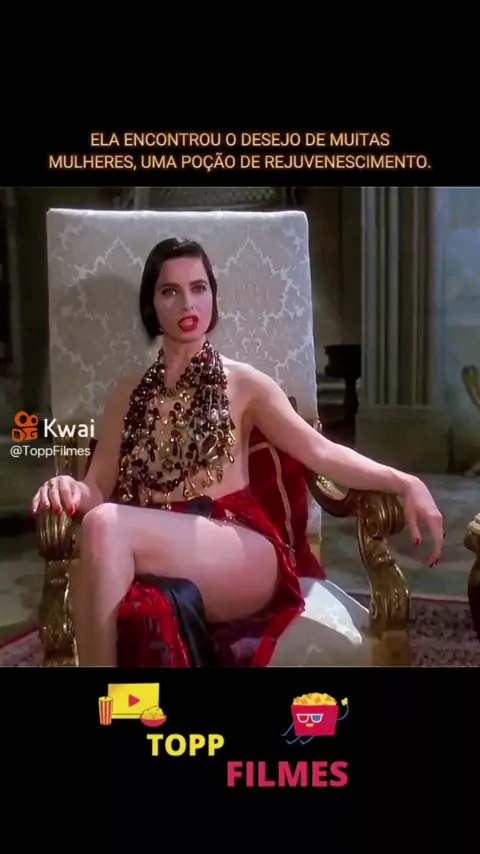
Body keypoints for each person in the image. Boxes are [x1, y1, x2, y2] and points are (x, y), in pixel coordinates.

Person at [32, 238, 444, 667]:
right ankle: (119, 701)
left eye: (199, 288)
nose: (187, 303)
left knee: (104, 525)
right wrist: (68, 488)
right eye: (170, 291)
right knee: (104, 545)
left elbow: (321, 452)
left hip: (239, 546)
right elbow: (96, 489)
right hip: (153, 543)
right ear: (151, 306)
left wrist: (405, 482)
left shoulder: (245, 384)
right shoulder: (126, 393)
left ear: (213, 297)